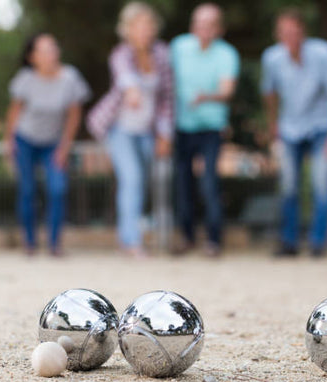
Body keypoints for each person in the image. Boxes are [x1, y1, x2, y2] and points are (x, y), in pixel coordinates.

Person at [261, 8, 327, 258]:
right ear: (277, 35)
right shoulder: (272, 58)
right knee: (288, 186)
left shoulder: (324, 53)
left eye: (294, 30)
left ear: (303, 31)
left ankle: (317, 243)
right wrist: (273, 125)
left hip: (323, 126)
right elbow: (269, 93)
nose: (289, 36)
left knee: (321, 185)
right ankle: (289, 242)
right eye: (284, 32)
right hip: (289, 128)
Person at [87, 2, 173, 258]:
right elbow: (125, 77)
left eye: (148, 24)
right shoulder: (121, 54)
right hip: (120, 129)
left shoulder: (162, 54)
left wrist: (165, 134)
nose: (145, 30)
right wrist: (132, 90)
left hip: (147, 130)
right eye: (139, 25)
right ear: (128, 29)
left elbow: (167, 97)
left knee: (140, 183)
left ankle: (126, 236)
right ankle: (132, 242)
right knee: (132, 179)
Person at [3, 33, 91, 256]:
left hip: (53, 142)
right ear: (33, 57)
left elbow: (73, 115)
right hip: (25, 140)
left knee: (57, 189)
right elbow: (14, 112)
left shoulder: (70, 77)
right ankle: (30, 243)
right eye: (44, 50)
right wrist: (9, 142)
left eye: (53, 47)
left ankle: (54, 244)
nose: (51, 53)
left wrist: (64, 147)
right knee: (28, 190)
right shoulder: (25, 78)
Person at [170, 3, 240, 257]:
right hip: (182, 126)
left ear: (219, 29)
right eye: (199, 23)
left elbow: (228, 90)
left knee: (209, 183)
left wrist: (206, 97)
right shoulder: (178, 47)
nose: (203, 29)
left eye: (210, 24)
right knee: (183, 183)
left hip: (211, 127)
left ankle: (214, 240)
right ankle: (187, 237)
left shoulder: (227, 54)